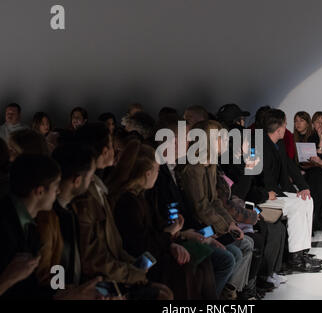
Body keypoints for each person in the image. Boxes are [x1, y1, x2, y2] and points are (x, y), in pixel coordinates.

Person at [73, 123, 172, 300]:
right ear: (104, 151)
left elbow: (114, 246)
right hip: (97, 281)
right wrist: (132, 273)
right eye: (112, 146)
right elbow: (94, 258)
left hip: (113, 270)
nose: (115, 151)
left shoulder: (98, 189)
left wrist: (133, 269)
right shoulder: (88, 197)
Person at [107, 140, 217, 300]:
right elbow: (139, 244)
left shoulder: (141, 195)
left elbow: (154, 229)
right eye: (157, 170)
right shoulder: (127, 202)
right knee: (183, 268)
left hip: (153, 250)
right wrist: (170, 234)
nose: (158, 174)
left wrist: (172, 234)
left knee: (202, 260)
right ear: (147, 173)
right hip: (138, 259)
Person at [151, 121, 237, 299]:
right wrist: (207, 232)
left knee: (237, 247)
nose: (190, 142)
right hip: (178, 236)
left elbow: (208, 204)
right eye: (186, 139)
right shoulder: (179, 171)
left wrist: (226, 225)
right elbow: (198, 208)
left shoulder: (185, 168)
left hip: (190, 230)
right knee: (229, 256)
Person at [175, 120, 254, 300]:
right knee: (236, 250)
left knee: (245, 244)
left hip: (208, 225)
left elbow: (215, 202)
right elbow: (200, 207)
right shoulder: (194, 168)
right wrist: (224, 228)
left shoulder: (209, 165)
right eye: (221, 138)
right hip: (198, 227)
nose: (226, 142)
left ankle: (229, 292)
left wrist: (231, 224)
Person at [252, 108, 322, 272]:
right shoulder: (255, 145)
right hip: (262, 197)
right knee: (297, 206)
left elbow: (289, 165)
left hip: (276, 193)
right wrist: (265, 193)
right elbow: (253, 178)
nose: (287, 128)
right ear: (279, 128)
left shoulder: (279, 143)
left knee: (306, 199)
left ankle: (301, 252)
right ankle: (295, 258)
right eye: (285, 124)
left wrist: (304, 186)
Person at [0, 155, 61, 299]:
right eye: (56, 186)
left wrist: (63, 290)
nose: (58, 192)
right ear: (39, 191)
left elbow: (57, 265)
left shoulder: (35, 220)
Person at [35, 144, 96, 289]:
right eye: (91, 176)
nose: (93, 181)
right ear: (77, 181)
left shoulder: (71, 208)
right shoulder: (48, 218)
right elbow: (46, 274)